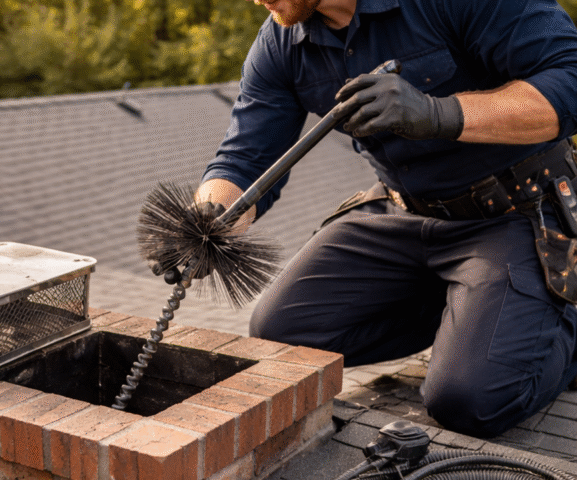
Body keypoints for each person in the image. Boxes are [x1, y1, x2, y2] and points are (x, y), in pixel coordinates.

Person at [191, 0, 577, 438]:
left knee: (468, 401)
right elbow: (244, 159)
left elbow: (570, 79)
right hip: (402, 211)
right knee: (280, 337)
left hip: (513, 212)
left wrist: (438, 113)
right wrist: (208, 219)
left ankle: (559, 329)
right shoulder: (281, 43)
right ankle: (474, 316)